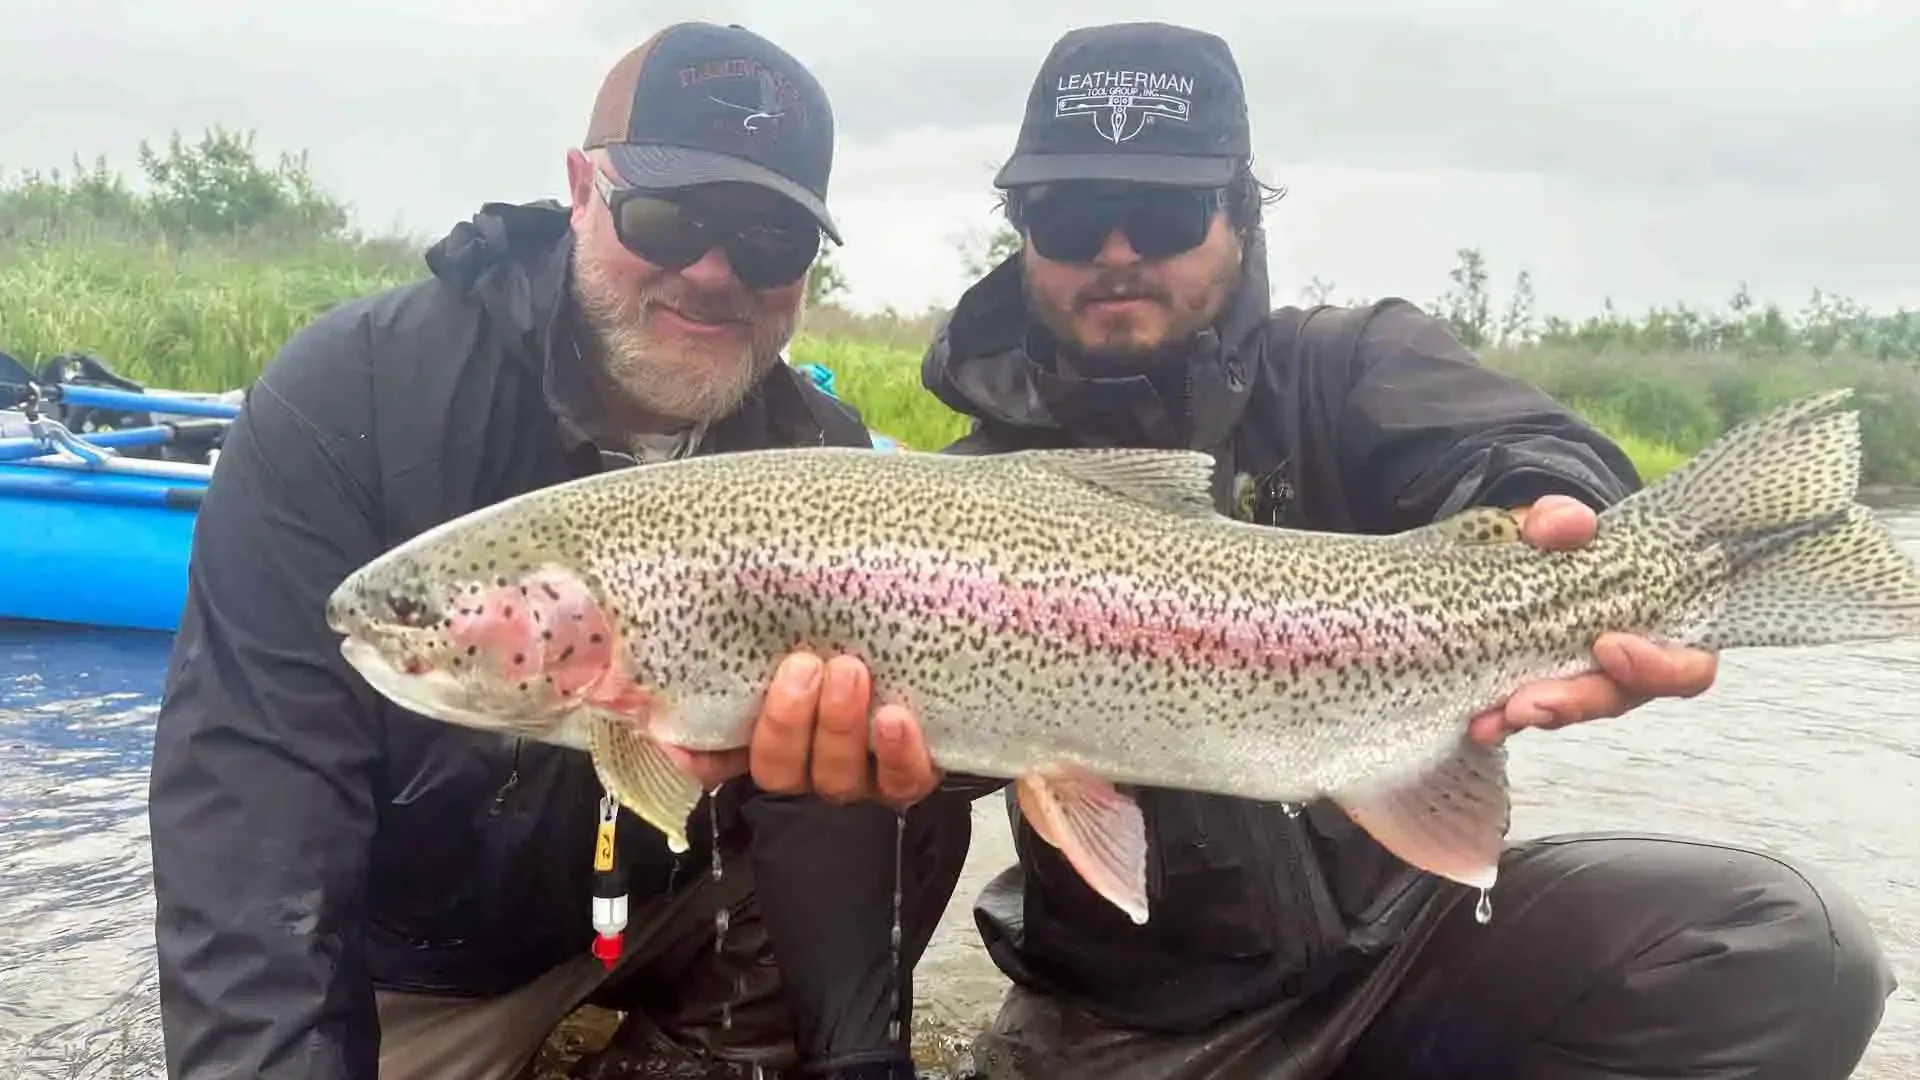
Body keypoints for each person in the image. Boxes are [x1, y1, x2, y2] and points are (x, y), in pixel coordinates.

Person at [871, 20, 1893, 1080]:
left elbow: (1523, 450)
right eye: (1074, 213)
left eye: (1165, 211)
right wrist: (895, 768)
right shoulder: (960, 496)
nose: (1118, 251)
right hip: (1125, 1018)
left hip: (1418, 949)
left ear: (1237, 213)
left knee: (1791, 946)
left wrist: (1561, 513)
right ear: (1023, 227)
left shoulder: (1352, 365)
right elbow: (927, 776)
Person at [146, 22, 970, 1080]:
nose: (715, 271)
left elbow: (846, 827)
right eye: (669, 219)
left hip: (672, 915)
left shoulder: (818, 457)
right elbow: (249, 807)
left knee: (917, 781)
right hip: (432, 966)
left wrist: (859, 1058)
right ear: (583, 187)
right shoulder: (354, 399)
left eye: (771, 241)